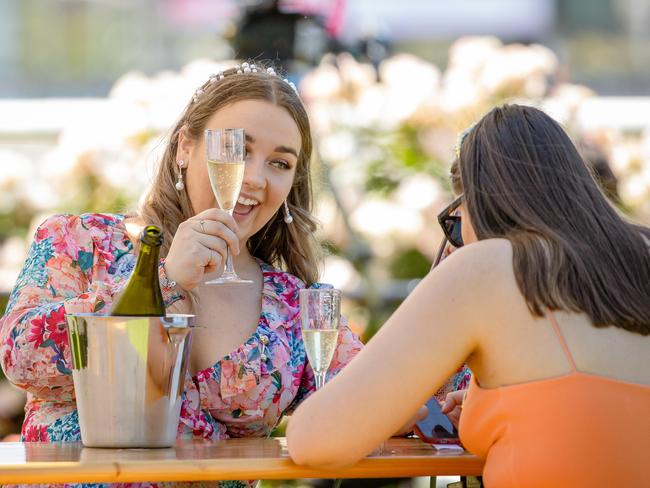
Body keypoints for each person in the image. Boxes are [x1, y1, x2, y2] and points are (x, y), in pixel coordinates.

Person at [0, 62, 367, 487]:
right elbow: (20, 358)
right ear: (184, 148)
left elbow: (375, 389)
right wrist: (163, 279)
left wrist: (449, 396)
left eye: (280, 163)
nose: (254, 178)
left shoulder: (290, 304)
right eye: (236, 149)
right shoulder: (80, 243)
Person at [287, 104, 650, 487]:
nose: (456, 242)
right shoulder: (639, 257)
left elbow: (314, 440)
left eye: (455, 225)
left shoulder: (487, 266)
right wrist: (485, 408)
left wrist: (391, 406)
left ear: (477, 203)